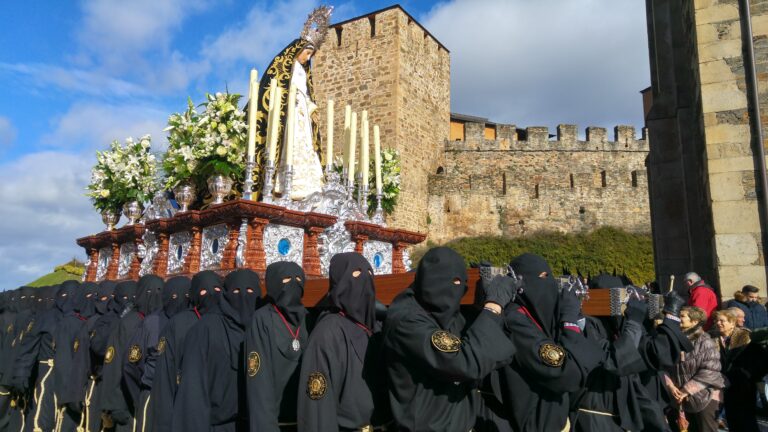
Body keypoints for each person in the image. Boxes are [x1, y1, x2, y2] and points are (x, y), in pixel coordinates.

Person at [383, 247, 517, 432]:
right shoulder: (407, 321)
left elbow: (497, 354)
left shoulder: (449, 315)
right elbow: (464, 363)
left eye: (461, 282)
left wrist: (482, 308)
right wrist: (493, 306)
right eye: (452, 281)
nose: (457, 288)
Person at [495, 254, 604, 432]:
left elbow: (595, 359)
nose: (549, 284)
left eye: (549, 276)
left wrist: (575, 318)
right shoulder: (515, 321)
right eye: (542, 277)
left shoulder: (542, 318)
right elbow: (567, 375)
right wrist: (568, 322)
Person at [297, 252, 390, 431]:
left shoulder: (376, 328)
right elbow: (317, 408)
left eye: (369, 273)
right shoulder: (328, 332)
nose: (365, 279)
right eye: (356, 274)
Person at [253, 6, 332, 201]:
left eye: (311, 55)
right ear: (297, 50)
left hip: (302, 114)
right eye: (306, 53)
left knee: (305, 146)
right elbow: (277, 86)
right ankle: (282, 184)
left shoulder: (305, 72)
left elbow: (306, 94)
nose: (308, 58)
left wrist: (311, 108)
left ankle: (305, 188)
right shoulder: (286, 66)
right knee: (290, 143)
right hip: (290, 112)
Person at [172, 269, 261, 432]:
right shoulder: (205, 328)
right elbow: (193, 390)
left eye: (250, 291)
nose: (243, 296)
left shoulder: (260, 327)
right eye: (236, 291)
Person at [151, 271, 222, 432]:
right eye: (204, 290)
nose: (211, 294)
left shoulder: (227, 322)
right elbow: (164, 376)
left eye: (217, 289)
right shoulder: (179, 324)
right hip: (186, 406)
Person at [246, 262, 309, 432]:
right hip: (275, 423)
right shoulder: (262, 319)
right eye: (287, 279)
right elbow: (259, 382)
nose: (293, 284)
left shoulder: (307, 319)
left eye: (297, 279)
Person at [125, 276, 188, 432]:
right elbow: (132, 363)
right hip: (153, 393)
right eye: (173, 296)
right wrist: (141, 393)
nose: (179, 300)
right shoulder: (152, 322)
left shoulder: (192, 321)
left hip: (181, 397)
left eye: (186, 296)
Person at [665, 306, 723, 432]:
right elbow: (664, 366)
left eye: (682, 316)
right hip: (679, 398)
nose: (678, 319)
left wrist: (686, 390)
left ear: (694, 322)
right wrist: (670, 385)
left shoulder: (705, 341)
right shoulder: (671, 339)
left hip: (705, 397)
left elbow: (710, 371)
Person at [710, 309, 753, 431]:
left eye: (722, 321)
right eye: (716, 320)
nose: (718, 323)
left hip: (740, 383)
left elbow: (746, 361)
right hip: (720, 383)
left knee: (744, 419)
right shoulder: (711, 336)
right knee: (731, 418)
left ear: (732, 323)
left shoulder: (743, 337)